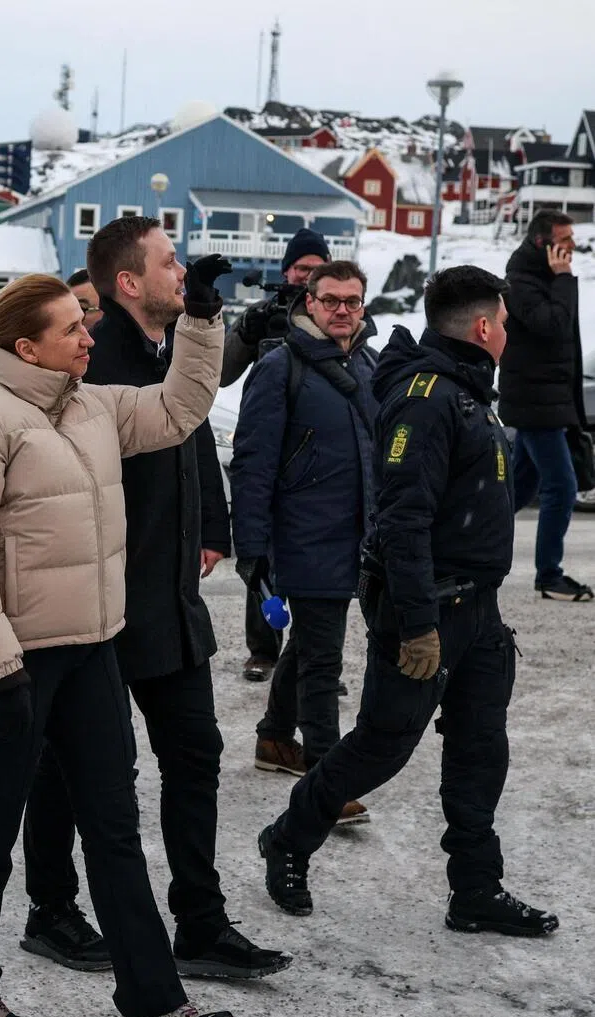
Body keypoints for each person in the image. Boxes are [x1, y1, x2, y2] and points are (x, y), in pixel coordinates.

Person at [0, 268, 237, 1017]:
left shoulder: (94, 408)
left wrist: (201, 321)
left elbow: (178, 409)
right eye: (73, 329)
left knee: (114, 829)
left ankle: (154, 1006)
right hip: (12, 664)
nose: (89, 337)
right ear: (27, 346)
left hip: (94, 651)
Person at [20, 216, 290, 981]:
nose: (183, 273)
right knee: (70, 772)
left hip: (169, 602)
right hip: (97, 609)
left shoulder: (171, 354)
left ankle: (200, 923)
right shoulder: (87, 366)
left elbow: (193, 429)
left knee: (194, 755)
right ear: (128, 282)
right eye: (171, 264)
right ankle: (51, 907)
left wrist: (211, 521)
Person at [258, 266, 560, 938]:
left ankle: (476, 890)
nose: (508, 332)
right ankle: (288, 837)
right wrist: (419, 624)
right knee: (382, 746)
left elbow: (475, 498)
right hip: (425, 607)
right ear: (483, 327)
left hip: (477, 608)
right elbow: (401, 520)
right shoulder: (428, 399)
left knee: (482, 748)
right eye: (505, 322)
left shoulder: (470, 393)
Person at [232, 262, 377, 825]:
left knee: (311, 645)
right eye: (332, 300)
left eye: (353, 301)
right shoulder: (278, 367)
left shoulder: (365, 362)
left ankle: (273, 739)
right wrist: (253, 550)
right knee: (324, 659)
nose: (343, 310)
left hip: (355, 535)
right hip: (305, 534)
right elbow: (252, 463)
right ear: (309, 304)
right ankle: (325, 779)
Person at [224, 228, 333, 683]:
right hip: (271, 449)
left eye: (316, 269)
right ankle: (263, 650)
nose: (307, 277)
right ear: (287, 271)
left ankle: (316, 655)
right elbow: (222, 374)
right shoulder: (264, 316)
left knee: (322, 566)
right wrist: (246, 331)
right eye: (301, 268)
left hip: (322, 457)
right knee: (261, 555)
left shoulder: (335, 315)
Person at [498, 209, 591, 601]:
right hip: (535, 403)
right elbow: (552, 326)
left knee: (515, 491)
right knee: (562, 486)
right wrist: (566, 280)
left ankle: (465, 544)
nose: (571, 246)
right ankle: (548, 575)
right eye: (564, 239)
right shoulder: (521, 282)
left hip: (547, 398)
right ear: (543, 243)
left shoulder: (543, 278)